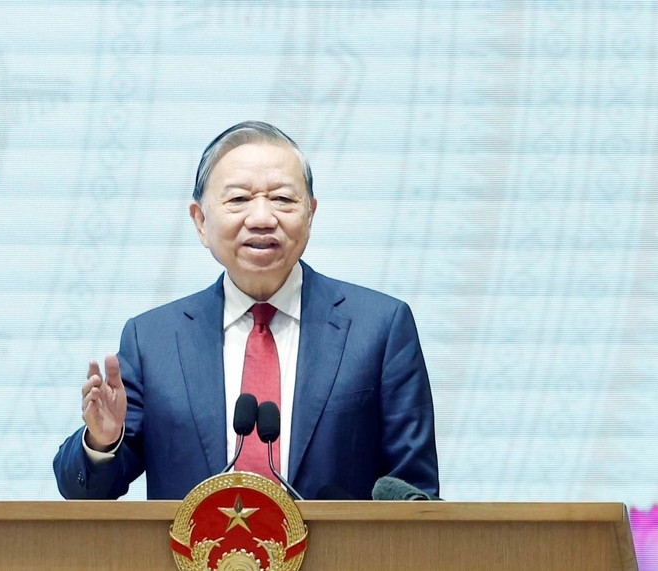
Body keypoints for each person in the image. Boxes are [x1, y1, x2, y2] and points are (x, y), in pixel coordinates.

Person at [53, 121, 438, 500]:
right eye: (238, 200)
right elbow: (84, 491)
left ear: (310, 214)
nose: (262, 219)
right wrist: (102, 442)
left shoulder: (380, 328)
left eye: (282, 199)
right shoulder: (153, 340)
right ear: (200, 222)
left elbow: (415, 497)